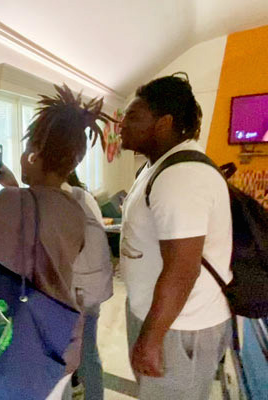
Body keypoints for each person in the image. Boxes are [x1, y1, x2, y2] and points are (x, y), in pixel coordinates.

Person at [0, 84, 113, 400]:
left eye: (28, 152)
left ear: (34, 154)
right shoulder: (74, 207)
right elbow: (36, 218)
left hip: (10, 343)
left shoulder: (9, 203)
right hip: (57, 341)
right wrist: (12, 186)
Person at [119, 73, 232, 400]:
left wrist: (151, 339)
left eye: (134, 117)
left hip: (180, 325)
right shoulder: (156, 166)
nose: (122, 124)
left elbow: (183, 269)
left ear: (163, 122)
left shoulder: (181, 175)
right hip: (159, 316)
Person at [62, 172, 105, 400]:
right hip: (89, 293)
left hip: (68, 296)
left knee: (63, 361)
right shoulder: (85, 197)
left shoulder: (57, 200)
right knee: (88, 353)